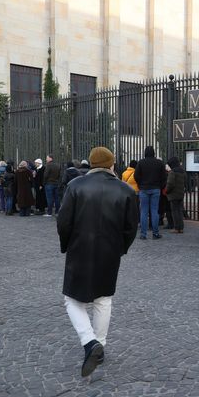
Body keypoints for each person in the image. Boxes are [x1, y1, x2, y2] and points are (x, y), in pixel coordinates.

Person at [56, 146, 139, 377]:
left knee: (72, 299)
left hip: (79, 248)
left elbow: (63, 222)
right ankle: (99, 344)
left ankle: (90, 341)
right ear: (112, 164)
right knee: (104, 299)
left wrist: (66, 244)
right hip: (110, 250)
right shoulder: (126, 190)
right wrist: (121, 248)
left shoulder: (75, 186)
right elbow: (131, 226)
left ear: (91, 164)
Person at [134, 146, 166, 240]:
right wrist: (160, 186)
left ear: (145, 153)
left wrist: (140, 184)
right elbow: (164, 177)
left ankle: (143, 234)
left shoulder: (141, 163)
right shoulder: (159, 163)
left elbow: (136, 176)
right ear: (154, 153)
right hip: (155, 189)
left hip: (143, 189)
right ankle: (155, 233)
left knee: (143, 211)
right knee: (154, 211)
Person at [165, 156, 186, 233]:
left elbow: (170, 183)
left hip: (173, 194)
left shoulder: (172, 172)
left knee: (174, 211)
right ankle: (181, 227)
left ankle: (176, 228)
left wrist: (166, 191)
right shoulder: (182, 171)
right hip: (180, 193)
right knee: (179, 211)